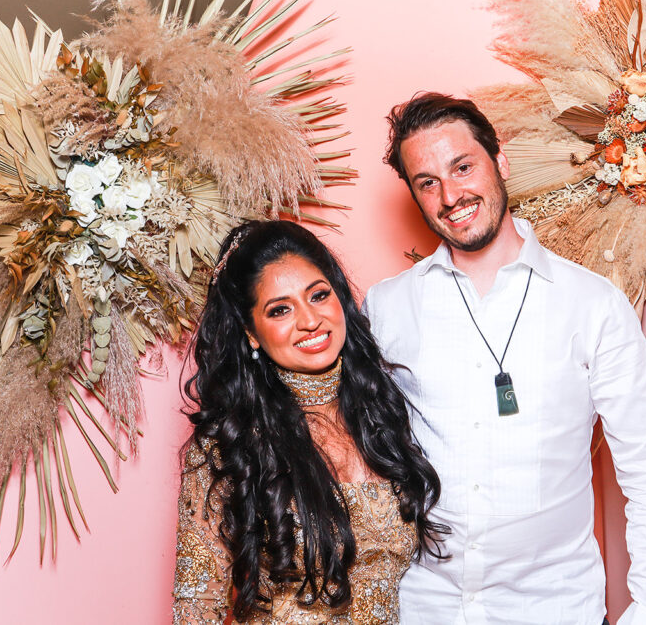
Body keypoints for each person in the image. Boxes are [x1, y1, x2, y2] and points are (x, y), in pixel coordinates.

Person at [362, 93, 646, 625]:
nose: (451, 195)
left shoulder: (593, 305)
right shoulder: (387, 307)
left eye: (463, 167)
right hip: (425, 609)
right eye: (428, 182)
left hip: (556, 608)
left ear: (500, 163)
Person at [172, 220, 447, 624]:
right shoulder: (230, 446)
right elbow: (196, 606)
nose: (309, 320)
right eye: (280, 309)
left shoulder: (383, 415)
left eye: (318, 296)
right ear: (251, 332)